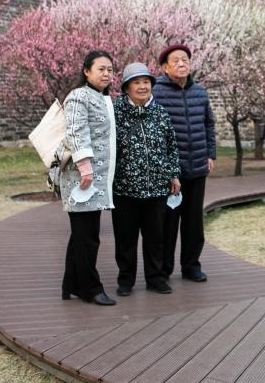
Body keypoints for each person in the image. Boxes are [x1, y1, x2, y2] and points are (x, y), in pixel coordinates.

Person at [112, 62, 182, 296]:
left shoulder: (160, 112)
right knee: (125, 238)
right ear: (126, 88)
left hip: (156, 188)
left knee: (156, 238)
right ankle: (125, 280)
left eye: (146, 82)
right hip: (125, 189)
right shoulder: (115, 112)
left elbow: (171, 146)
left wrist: (173, 174)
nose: (142, 87)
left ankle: (156, 278)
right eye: (136, 83)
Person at [57, 50, 118, 306]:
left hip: (96, 179)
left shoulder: (102, 97)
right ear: (86, 71)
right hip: (82, 178)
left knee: (82, 234)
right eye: (101, 69)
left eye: (110, 70)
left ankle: (71, 284)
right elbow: (75, 132)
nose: (106, 74)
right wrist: (85, 168)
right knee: (88, 235)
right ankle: (90, 288)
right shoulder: (79, 96)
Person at [152, 44, 217, 282]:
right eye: (176, 61)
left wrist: (211, 154)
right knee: (167, 223)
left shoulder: (200, 92)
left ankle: (191, 266)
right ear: (165, 67)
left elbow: (209, 123)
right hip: (171, 172)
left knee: (193, 222)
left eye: (185, 60)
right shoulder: (156, 93)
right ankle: (164, 268)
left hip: (197, 166)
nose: (182, 64)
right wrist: (167, 168)